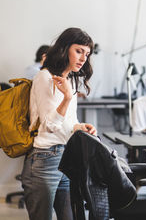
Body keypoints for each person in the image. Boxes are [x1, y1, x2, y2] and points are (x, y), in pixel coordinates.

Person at [21, 27, 97, 220]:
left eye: (86, 54)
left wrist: (81, 127)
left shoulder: (70, 79)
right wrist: (67, 98)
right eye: (79, 51)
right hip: (45, 158)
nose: (83, 58)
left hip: (65, 155)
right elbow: (49, 126)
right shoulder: (44, 77)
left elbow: (69, 122)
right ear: (65, 49)